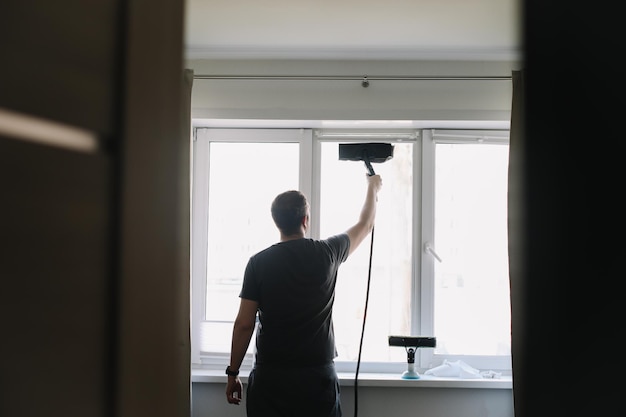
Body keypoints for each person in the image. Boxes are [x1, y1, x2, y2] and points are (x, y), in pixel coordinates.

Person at [225, 173, 383, 417]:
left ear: (276, 222)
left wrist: (232, 374)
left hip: (272, 378)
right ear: (305, 220)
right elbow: (365, 225)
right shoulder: (328, 253)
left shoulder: (258, 263)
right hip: (316, 378)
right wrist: (372, 188)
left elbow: (244, 324)